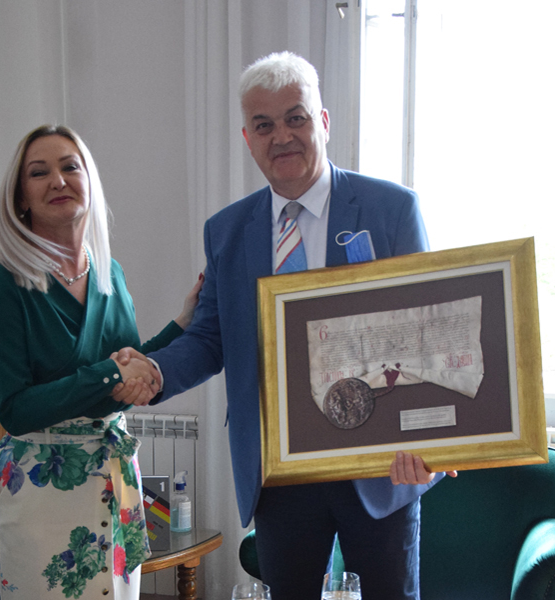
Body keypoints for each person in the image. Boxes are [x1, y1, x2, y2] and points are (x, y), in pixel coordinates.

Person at [122, 52, 456, 599]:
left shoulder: (391, 210)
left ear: (322, 122)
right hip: (279, 470)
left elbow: (428, 335)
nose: (282, 136)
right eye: (264, 125)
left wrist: (434, 446)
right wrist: (156, 372)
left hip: (378, 467)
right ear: (248, 139)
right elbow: (210, 336)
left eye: (295, 118)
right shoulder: (227, 231)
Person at [0, 124, 199, 600]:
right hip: (42, 499)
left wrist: (182, 323)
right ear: (21, 198)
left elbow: (125, 377)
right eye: (39, 172)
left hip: (114, 487)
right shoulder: (2, 286)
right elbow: (15, 409)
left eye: (70, 167)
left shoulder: (109, 274)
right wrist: (112, 372)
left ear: (89, 181)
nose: (58, 180)